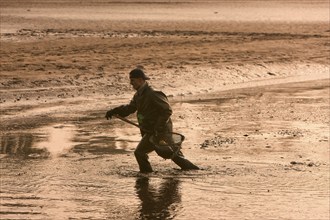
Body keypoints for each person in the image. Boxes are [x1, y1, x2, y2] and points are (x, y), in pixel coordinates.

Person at [105, 68, 199, 173]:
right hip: (150, 131)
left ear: (140, 80)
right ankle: (193, 170)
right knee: (169, 154)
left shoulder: (153, 94)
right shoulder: (138, 95)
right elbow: (129, 109)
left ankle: (145, 176)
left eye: (133, 80)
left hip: (161, 131)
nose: (131, 83)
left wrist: (158, 127)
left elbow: (167, 111)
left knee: (149, 153)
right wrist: (114, 111)